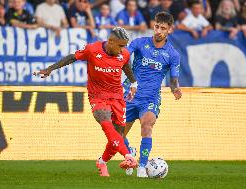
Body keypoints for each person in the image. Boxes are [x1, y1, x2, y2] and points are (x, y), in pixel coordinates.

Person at [33, 27, 138, 177]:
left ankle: (102, 162)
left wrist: (134, 83)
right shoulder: (92, 49)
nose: (123, 50)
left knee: (118, 137)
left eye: (125, 46)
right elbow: (72, 57)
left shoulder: (124, 54)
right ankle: (128, 156)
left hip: (117, 97)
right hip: (97, 96)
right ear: (110, 41)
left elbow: (126, 66)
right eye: (121, 46)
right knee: (106, 123)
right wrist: (50, 68)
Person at [123, 12, 182, 177]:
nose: (159, 31)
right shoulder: (139, 43)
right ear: (153, 26)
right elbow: (124, 55)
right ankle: (130, 153)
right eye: (157, 26)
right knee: (118, 134)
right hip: (129, 95)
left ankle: (142, 167)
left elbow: (173, 79)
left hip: (150, 98)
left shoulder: (172, 54)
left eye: (163, 28)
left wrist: (175, 88)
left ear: (169, 30)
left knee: (146, 125)